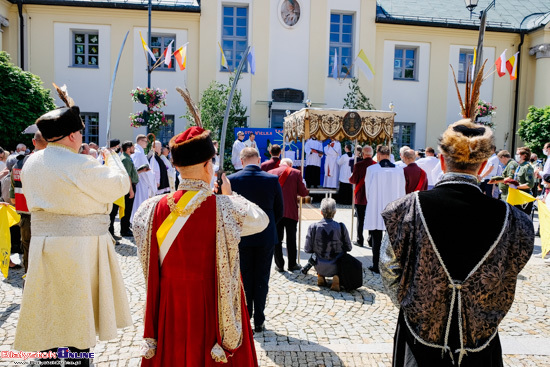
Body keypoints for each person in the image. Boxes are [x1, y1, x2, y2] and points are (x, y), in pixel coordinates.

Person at [380, 119, 534, 367]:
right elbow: (512, 269)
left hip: (420, 336)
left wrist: (413, 304)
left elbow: (388, 267)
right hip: (479, 337)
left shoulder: (406, 209)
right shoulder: (515, 220)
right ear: (484, 167)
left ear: (441, 161)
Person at [135, 126, 268, 367]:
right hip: (211, 299)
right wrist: (230, 194)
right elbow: (261, 220)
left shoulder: (150, 208)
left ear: (176, 166)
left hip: (170, 301)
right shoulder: (225, 207)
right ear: (209, 166)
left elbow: (138, 232)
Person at [15, 106, 132, 366]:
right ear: (71, 136)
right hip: (78, 249)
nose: (81, 135)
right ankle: (75, 360)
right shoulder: (80, 165)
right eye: (80, 131)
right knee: (76, 311)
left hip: (44, 244)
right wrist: (111, 158)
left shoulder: (33, 161)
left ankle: (47, 358)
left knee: (48, 305)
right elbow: (120, 186)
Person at [228, 147, 283, 332]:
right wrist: (266, 226)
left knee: (243, 277)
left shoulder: (232, 180)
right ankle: (259, 319)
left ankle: (245, 317)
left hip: (242, 236)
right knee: (262, 277)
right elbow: (279, 210)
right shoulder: (272, 180)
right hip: (265, 236)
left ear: (241, 161)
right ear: (259, 159)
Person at [9, 131, 48, 272]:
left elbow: (13, 198)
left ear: (33, 142)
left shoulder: (18, 164)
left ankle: (29, 288)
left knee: (28, 256)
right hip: (47, 218)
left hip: (25, 218)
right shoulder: (50, 164)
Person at [364, 145, 405, 273]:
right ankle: (392, 265)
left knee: (376, 237)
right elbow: (403, 190)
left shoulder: (372, 169)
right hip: (395, 207)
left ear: (379, 154)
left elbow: (367, 190)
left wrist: (371, 202)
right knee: (393, 238)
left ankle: (376, 265)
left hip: (377, 206)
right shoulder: (399, 170)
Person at [268, 158, 309, 272]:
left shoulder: (270, 173)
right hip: (291, 211)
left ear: (281, 164)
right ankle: (292, 264)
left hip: (276, 212)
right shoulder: (296, 173)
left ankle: (279, 265)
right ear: (290, 164)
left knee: (277, 239)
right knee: (291, 239)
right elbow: (303, 192)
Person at [304, 198, 352, 291]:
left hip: (319, 265)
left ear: (321, 212)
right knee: (343, 256)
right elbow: (349, 247)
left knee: (316, 256)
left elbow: (307, 249)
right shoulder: (341, 227)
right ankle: (336, 277)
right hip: (336, 266)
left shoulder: (313, 227)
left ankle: (320, 275)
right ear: (335, 212)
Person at [349, 146, 376, 247]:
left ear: (363, 154)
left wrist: (350, 178)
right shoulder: (376, 165)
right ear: (371, 154)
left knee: (360, 219)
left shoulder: (358, 165)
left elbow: (353, 180)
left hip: (361, 195)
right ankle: (370, 239)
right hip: (372, 196)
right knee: (372, 218)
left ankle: (360, 239)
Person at [131, 134, 156, 222]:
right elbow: (135, 168)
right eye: (145, 141)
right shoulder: (138, 153)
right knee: (138, 202)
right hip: (140, 181)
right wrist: (148, 173)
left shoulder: (139, 151)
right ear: (140, 141)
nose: (146, 144)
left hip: (142, 181)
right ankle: (137, 220)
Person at [120, 141, 138, 237]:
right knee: (127, 209)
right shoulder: (126, 159)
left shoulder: (127, 158)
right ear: (128, 148)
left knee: (128, 209)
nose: (134, 149)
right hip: (128, 187)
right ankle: (124, 229)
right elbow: (128, 176)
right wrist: (131, 190)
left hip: (129, 186)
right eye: (132, 147)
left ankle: (125, 228)